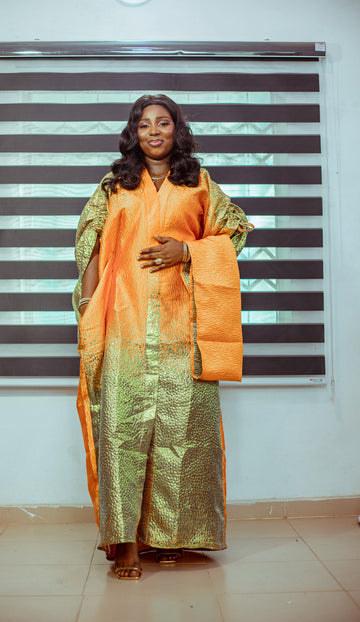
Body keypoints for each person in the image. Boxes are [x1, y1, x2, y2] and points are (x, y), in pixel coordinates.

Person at [73, 94, 253, 580]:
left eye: (164, 122)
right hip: (124, 323)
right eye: (145, 123)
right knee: (122, 433)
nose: (155, 131)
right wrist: (89, 312)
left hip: (182, 325)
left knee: (181, 434)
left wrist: (188, 251)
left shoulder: (198, 183)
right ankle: (126, 541)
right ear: (134, 131)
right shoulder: (114, 186)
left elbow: (234, 232)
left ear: (177, 129)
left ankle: (171, 535)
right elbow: (90, 247)